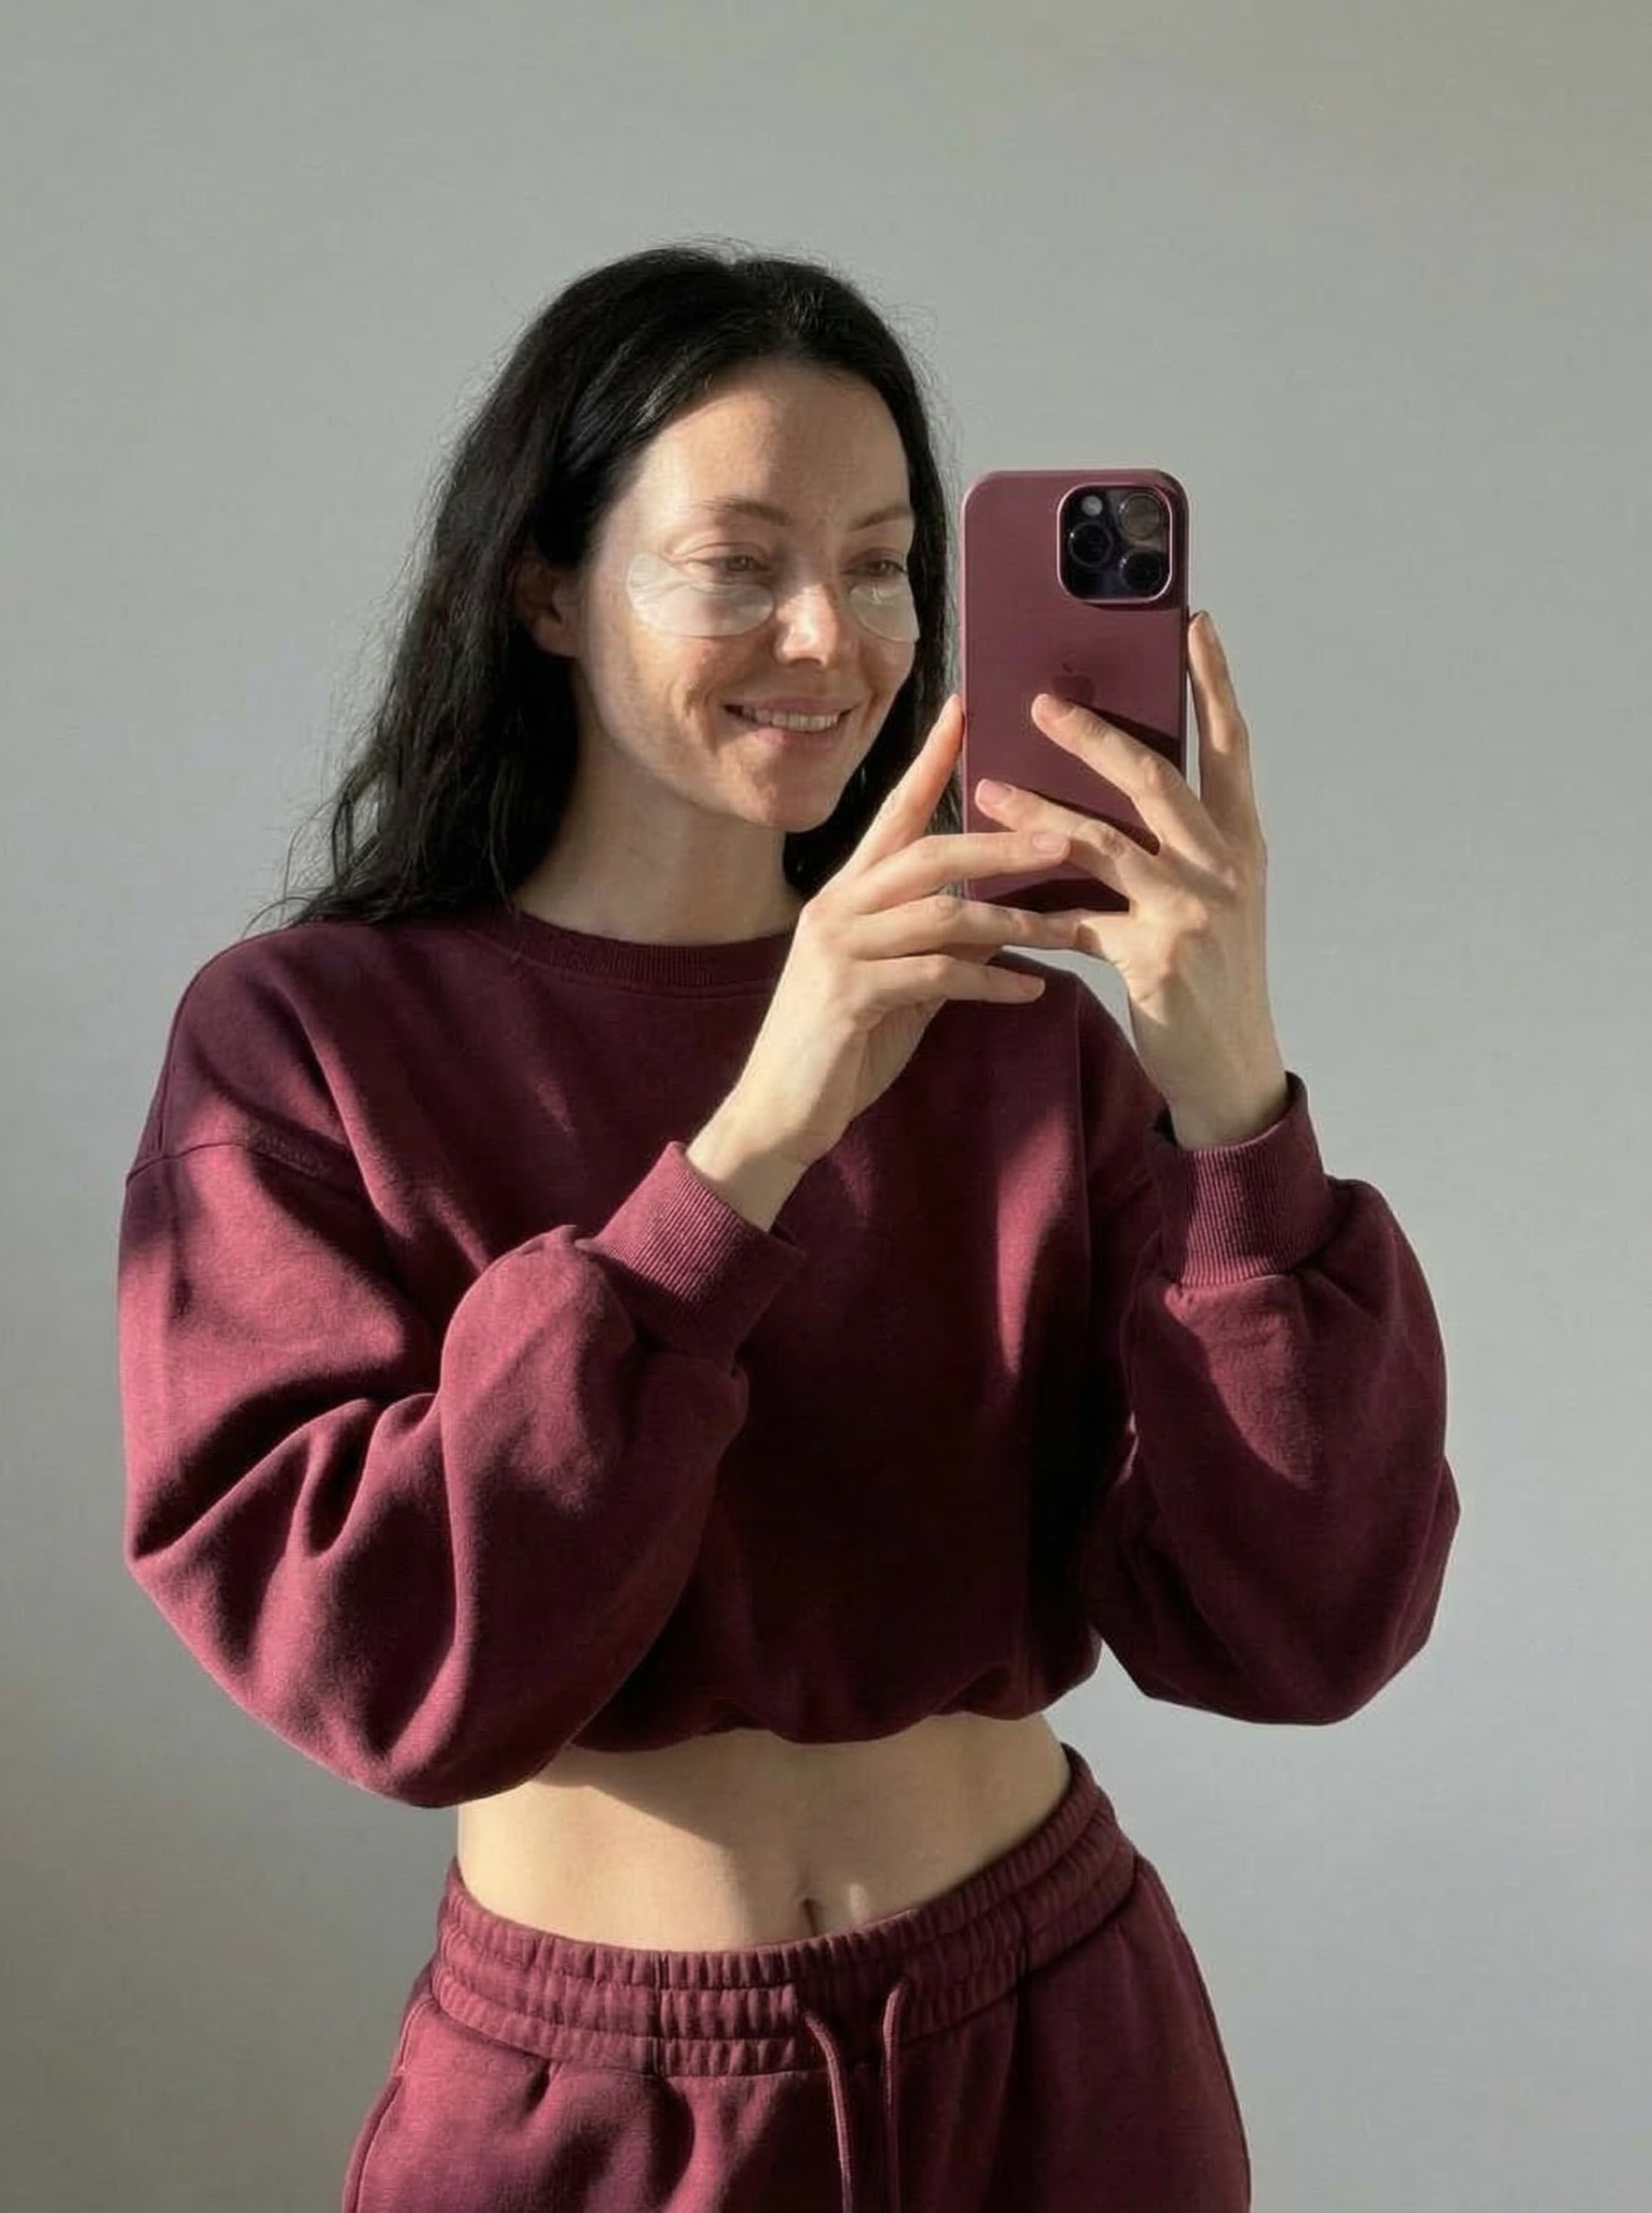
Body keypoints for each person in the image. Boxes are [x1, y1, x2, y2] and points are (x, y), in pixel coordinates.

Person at [115, 243, 1461, 2213]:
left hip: (1057, 2058)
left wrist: (1229, 1092)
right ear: (544, 587)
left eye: (885, 564)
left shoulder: (1018, 1044)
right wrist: (754, 1139)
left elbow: (1307, 1630)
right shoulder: (307, 1043)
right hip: (595, 2107)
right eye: (736, 565)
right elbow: (378, 1656)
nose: (830, 639)